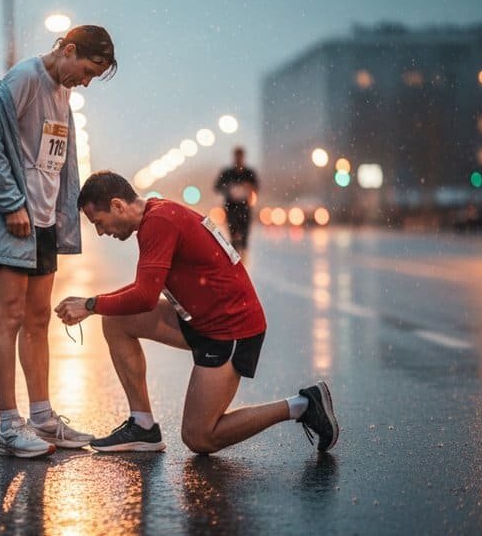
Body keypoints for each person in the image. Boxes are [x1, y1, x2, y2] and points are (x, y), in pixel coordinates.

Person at [54, 170, 338, 454]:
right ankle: (142, 426)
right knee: (116, 322)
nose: (101, 232)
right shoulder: (156, 215)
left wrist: (90, 305)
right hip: (200, 318)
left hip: (231, 330)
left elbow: (144, 297)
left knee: (199, 437)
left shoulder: (159, 223)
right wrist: (92, 303)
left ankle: (303, 405)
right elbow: (146, 287)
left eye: (100, 223)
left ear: (117, 205)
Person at [0, 25, 117, 458]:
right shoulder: (25, 78)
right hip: (9, 219)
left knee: (35, 320)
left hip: (42, 221)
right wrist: (11, 203)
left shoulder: (62, 91)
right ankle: (9, 427)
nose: (85, 82)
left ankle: (43, 419)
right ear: (68, 50)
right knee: (7, 317)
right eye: (86, 70)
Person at [214, 146, 259, 255]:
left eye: (241, 156)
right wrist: (229, 188)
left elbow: (256, 188)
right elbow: (217, 187)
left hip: (245, 207)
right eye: (237, 156)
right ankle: (234, 257)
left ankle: (243, 255)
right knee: (233, 233)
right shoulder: (227, 173)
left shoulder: (249, 173)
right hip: (231, 207)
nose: (239, 159)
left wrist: (248, 188)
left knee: (244, 234)